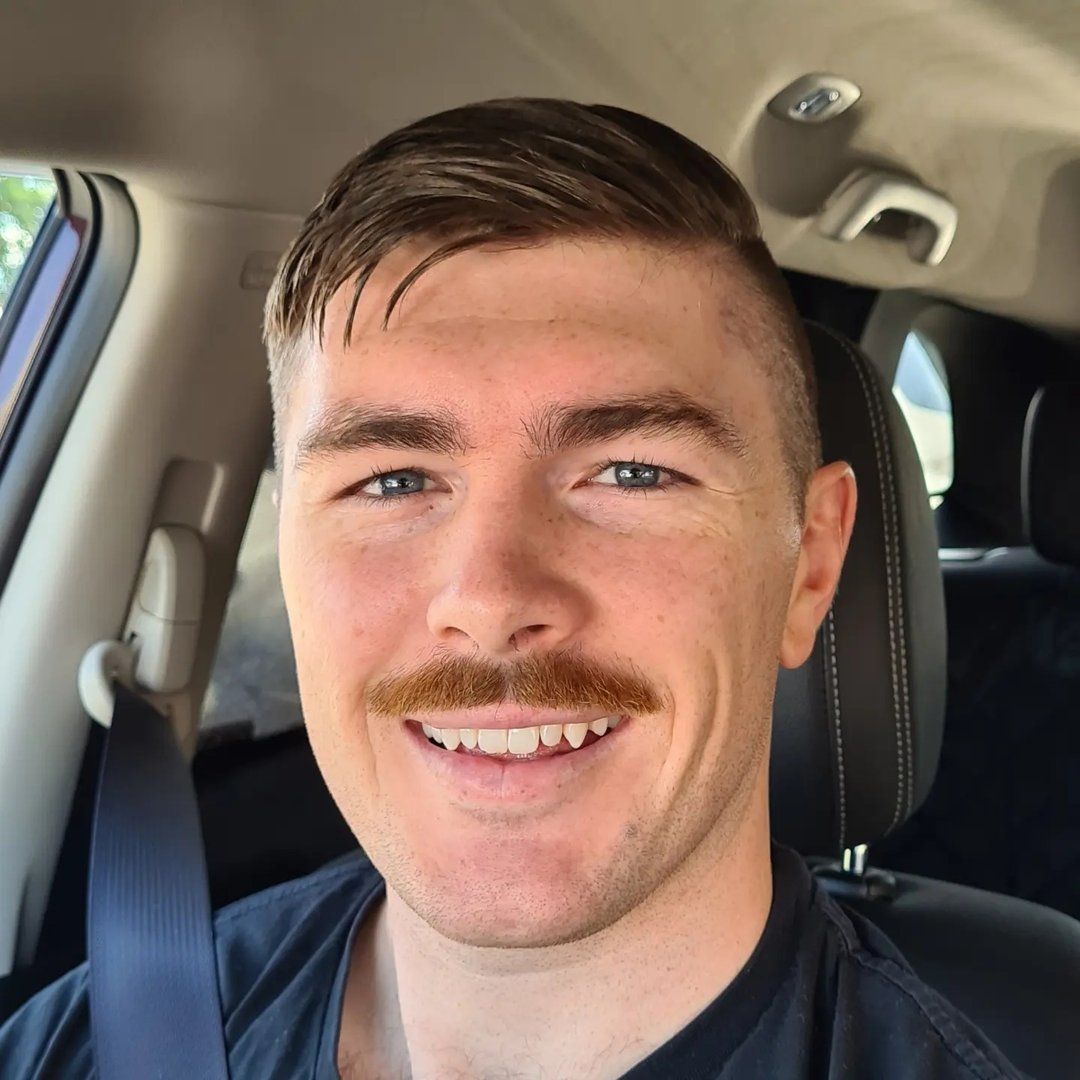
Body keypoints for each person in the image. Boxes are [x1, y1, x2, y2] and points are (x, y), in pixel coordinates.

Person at [1, 98, 1022, 1079]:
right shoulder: (83, 1043)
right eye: (392, 481)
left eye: (632, 473)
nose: (488, 598)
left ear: (809, 566)